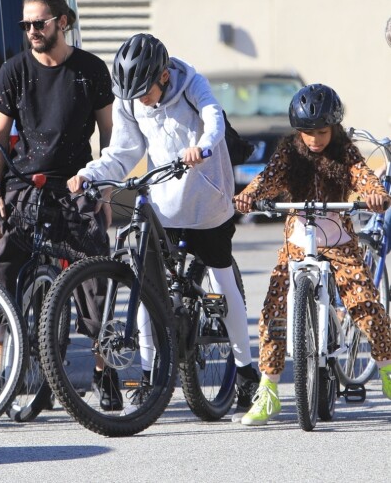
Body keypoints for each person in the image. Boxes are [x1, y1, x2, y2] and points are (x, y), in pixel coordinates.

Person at [68, 33, 259, 419]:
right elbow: (123, 153)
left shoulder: (191, 83)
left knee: (223, 282)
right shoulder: (130, 98)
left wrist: (202, 149)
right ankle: (153, 374)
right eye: (133, 94)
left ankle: (245, 371)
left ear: (164, 77)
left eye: (145, 92)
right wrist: (89, 174)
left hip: (207, 200)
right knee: (147, 285)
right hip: (164, 200)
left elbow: (213, 120)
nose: (141, 101)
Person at [0, 0, 119, 410]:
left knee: (95, 271)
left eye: (39, 23)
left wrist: (106, 185)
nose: (32, 31)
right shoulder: (14, 71)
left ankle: (104, 369)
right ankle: (2, 370)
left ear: (63, 21)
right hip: (26, 183)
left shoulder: (90, 70)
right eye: (25, 25)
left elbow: (110, 134)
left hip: (78, 182)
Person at [234, 83, 391, 426]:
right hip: (296, 242)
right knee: (273, 310)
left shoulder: (345, 153)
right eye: (307, 133)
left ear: (333, 128)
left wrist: (375, 193)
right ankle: (269, 390)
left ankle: (387, 369)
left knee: (366, 304)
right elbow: (267, 179)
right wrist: (249, 194)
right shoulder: (289, 153)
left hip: (338, 240)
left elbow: (363, 178)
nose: (315, 139)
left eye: (321, 132)